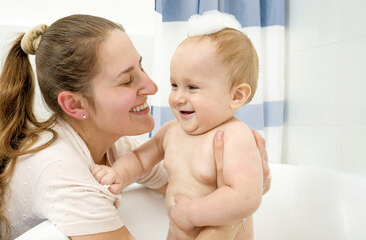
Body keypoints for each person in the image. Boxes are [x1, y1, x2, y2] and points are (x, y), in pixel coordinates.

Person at [0, 14, 270, 240]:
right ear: (75, 105)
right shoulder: (61, 171)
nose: (152, 87)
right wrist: (230, 216)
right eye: (127, 80)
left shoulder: (115, 145)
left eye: (142, 68)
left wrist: (242, 188)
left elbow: (186, 183)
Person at [91, 11, 264, 240]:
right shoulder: (172, 132)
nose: (178, 98)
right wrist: (119, 174)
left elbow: (246, 197)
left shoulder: (234, 136)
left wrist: (191, 214)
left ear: (236, 95)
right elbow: (141, 159)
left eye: (192, 87)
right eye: (174, 85)